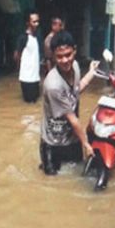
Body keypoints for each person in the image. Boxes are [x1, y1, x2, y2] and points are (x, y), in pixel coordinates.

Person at [40, 31, 99, 175]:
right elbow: (73, 120)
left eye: (68, 55)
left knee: (76, 175)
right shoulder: (53, 85)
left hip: (72, 139)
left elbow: (76, 90)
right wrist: (86, 144)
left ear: (75, 51)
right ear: (53, 56)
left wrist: (91, 72)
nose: (65, 60)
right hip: (53, 144)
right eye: (59, 57)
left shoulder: (76, 67)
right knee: (51, 185)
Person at [14, 11, 43, 103]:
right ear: (28, 23)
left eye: (38, 21)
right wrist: (19, 69)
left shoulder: (38, 37)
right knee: (28, 103)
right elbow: (17, 55)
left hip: (35, 77)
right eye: (34, 22)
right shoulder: (23, 38)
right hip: (26, 78)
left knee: (35, 103)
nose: (37, 24)